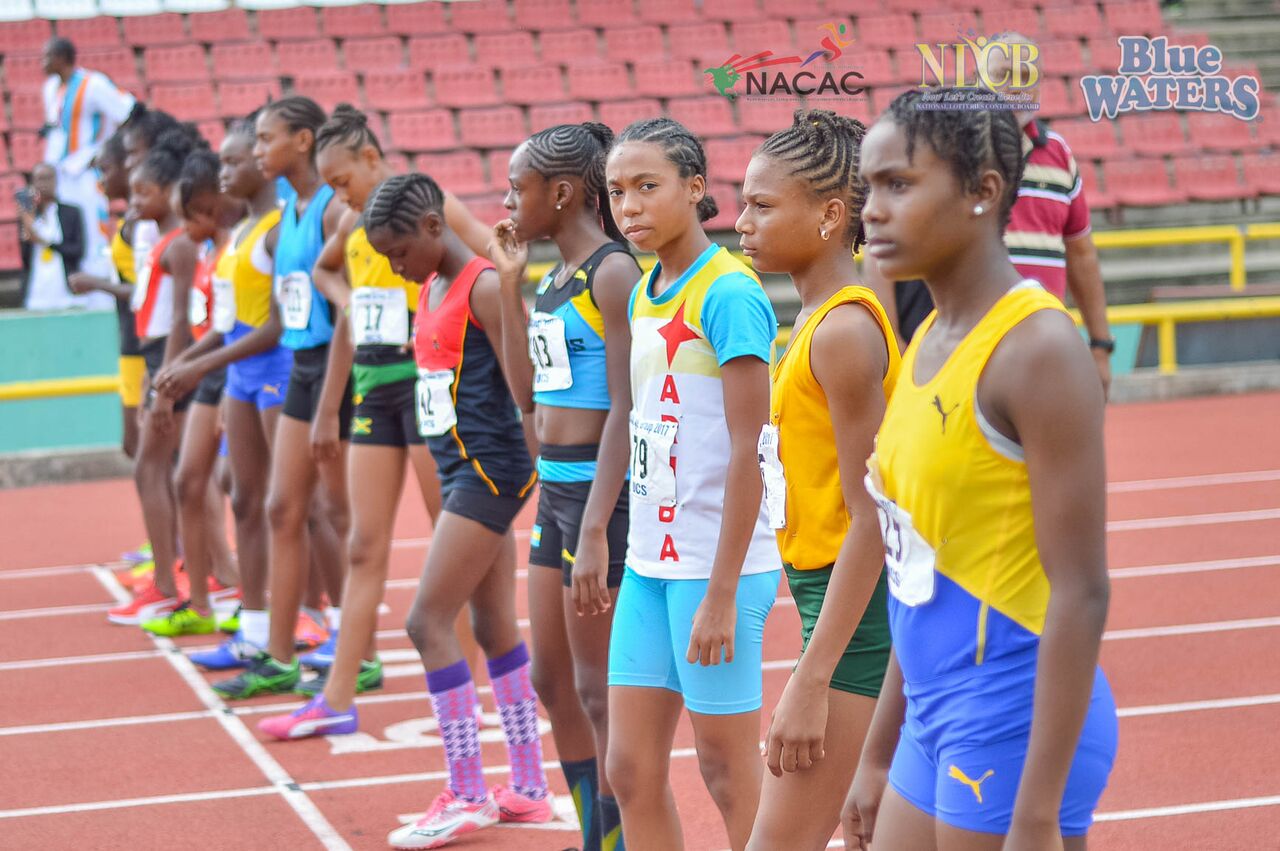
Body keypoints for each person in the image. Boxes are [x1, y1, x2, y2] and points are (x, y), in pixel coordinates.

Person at [843, 87, 1117, 850]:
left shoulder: (1037, 351)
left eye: (898, 184)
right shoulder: (928, 339)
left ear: (983, 190)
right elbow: (918, 569)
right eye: (869, 187)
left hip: (1014, 716)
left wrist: (1036, 813)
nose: (872, 211)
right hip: (932, 714)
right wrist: (877, 750)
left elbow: (1083, 590)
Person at [258, 105, 493, 739]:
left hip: (429, 388)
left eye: (343, 182)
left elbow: (491, 256)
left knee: (451, 543)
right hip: (372, 391)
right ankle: (337, 698)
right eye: (331, 187)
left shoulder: (429, 203)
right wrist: (351, 309)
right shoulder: (350, 219)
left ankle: (467, 693)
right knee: (363, 545)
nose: (341, 197)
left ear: (370, 158)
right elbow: (326, 273)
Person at [602, 118, 781, 851]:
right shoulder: (645, 289)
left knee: (728, 771)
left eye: (647, 186)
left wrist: (723, 591)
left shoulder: (729, 292)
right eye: (617, 191)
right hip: (650, 563)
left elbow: (751, 449)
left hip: (715, 567)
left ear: (695, 188)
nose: (630, 206)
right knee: (630, 769)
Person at [359, 173, 551, 849]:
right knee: (493, 624)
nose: (394, 266)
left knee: (425, 620)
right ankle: (528, 785)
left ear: (434, 228)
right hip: (459, 468)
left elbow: (525, 385)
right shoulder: (430, 286)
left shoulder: (484, 286)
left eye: (399, 251)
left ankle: (467, 791)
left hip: (489, 470)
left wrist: (549, 479)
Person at [735, 110, 898, 851]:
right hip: (826, 600)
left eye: (762, 205)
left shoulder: (842, 332)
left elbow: (873, 515)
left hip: (856, 619)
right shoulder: (809, 321)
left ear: (831, 216)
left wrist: (811, 676)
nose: (742, 222)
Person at [487, 121, 640, 851]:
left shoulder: (614, 273)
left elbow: (626, 408)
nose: (506, 202)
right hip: (556, 493)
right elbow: (524, 395)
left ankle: (617, 840)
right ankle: (594, 832)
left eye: (516, 188)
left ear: (562, 192)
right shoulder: (552, 281)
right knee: (553, 680)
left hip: (599, 500)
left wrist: (596, 528)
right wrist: (510, 289)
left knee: (598, 691)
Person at [868, 33, 1115, 398]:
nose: (1015, 86)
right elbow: (883, 243)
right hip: (956, 347)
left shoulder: (1059, 155)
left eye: (1026, 76)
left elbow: (1081, 253)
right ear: (977, 80)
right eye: (1003, 74)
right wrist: (895, 343)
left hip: (1036, 348)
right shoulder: (945, 150)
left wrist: (1100, 345)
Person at [211, 96, 350, 699]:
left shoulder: (330, 209)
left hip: (327, 370)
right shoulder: (289, 211)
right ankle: (278, 654)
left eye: (266, 139)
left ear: (303, 140)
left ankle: (354, 646)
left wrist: (331, 404)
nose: (259, 149)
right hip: (300, 368)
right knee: (280, 507)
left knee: (332, 513)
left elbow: (346, 309)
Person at [161, 118, 295, 667]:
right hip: (241, 376)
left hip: (276, 372)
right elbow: (226, 323)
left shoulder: (279, 230)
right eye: (224, 162)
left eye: (234, 162)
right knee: (243, 498)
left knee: (294, 506)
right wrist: (182, 365)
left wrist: (200, 367)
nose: (224, 172)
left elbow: (276, 327)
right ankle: (255, 629)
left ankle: (313, 620)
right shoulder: (239, 235)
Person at [139, 147, 246, 637]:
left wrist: (188, 368)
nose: (183, 228)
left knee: (244, 491)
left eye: (187, 217)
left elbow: (236, 330)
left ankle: (264, 597)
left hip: (234, 376)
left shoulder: (231, 253)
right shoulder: (210, 254)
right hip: (210, 374)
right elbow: (213, 327)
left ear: (208, 210)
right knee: (188, 481)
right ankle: (201, 604)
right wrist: (180, 369)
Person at [105, 128, 207, 625]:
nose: (135, 201)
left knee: (157, 469)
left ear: (170, 192)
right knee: (161, 471)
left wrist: (165, 385)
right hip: (157, 362)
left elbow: (181, 320)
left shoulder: (180, 245)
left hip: (173, 365)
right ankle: (174, 574)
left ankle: (170, 581)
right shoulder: (159, 242)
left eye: (143, 192)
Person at [68, 132, 145, 460]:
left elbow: (147, 291)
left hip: (143, 344)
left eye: (106, 169)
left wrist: (96, 284)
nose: (101, 179)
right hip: (131, 341)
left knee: (145, 449)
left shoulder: (140, 223)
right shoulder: (130, 219)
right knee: (136, 447)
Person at [40, 36, 135, 291]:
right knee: (66, 230)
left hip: (87, 173)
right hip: (61, 175)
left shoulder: (93, 84)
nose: (42, 63)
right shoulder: (50, 88)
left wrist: (105, 151)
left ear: (62, 58)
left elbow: (127, 112)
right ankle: (69, 288)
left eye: (47, 57)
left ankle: (98, 285)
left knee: (91, 229)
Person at [19, 163, 84, 311]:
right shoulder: (28, 216)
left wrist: (46, 243)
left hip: (66, 295)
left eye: (48, 178)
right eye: (39, 179)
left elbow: (78, 251)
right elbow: (25, 258)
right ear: (32, 183)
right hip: (36, 294)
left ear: (56, 180)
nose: (44, 184)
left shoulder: (70, 213)